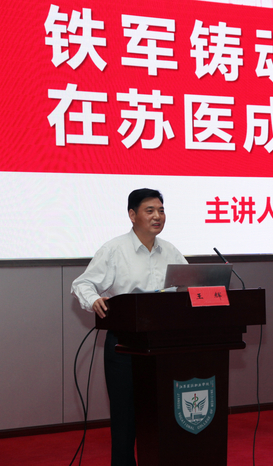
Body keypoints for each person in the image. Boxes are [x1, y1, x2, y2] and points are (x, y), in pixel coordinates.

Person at [71, 188, 187, 466]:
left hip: (164, 344)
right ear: (132, 215)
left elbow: (190, 284)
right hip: (125, 344)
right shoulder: (114, 250)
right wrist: (94, 299)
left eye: (161, 210)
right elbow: (82, 283)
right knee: (125, 417)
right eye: (150, 211)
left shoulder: (170, 251)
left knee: (162, 412)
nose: (158, 216)